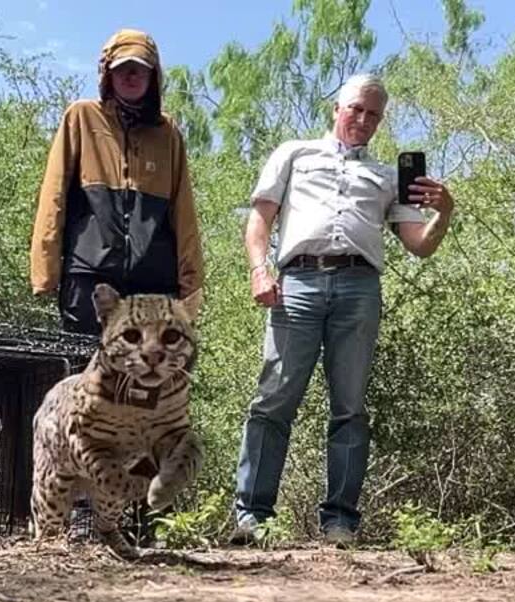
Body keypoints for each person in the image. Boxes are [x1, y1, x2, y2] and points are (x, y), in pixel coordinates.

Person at [230, 73, 455, 547]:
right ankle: (252, 516)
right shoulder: (294, 154)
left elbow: (420, 247)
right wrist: (259, 269)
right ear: (336, 108)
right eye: (355, 109)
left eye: (373, 114)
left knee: (349, 407)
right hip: (298, 282)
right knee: (273, 399)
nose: (363, 119)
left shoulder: (391, 177)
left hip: (359, 287)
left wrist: (445, 212)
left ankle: (340, 522)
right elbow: (259, 220)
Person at [30, 28, 203, 335]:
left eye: (139, 69)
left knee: (148, 375)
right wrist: (45, 271)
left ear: (153, 77)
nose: (131, 75)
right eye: (122, 68)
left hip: (154, 284)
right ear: (107, 74)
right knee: (86, 374)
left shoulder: (168, 133)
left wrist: (191, 282)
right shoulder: (81, 117)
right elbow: (53, 195)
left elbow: (184, 212)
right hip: (89, 278)